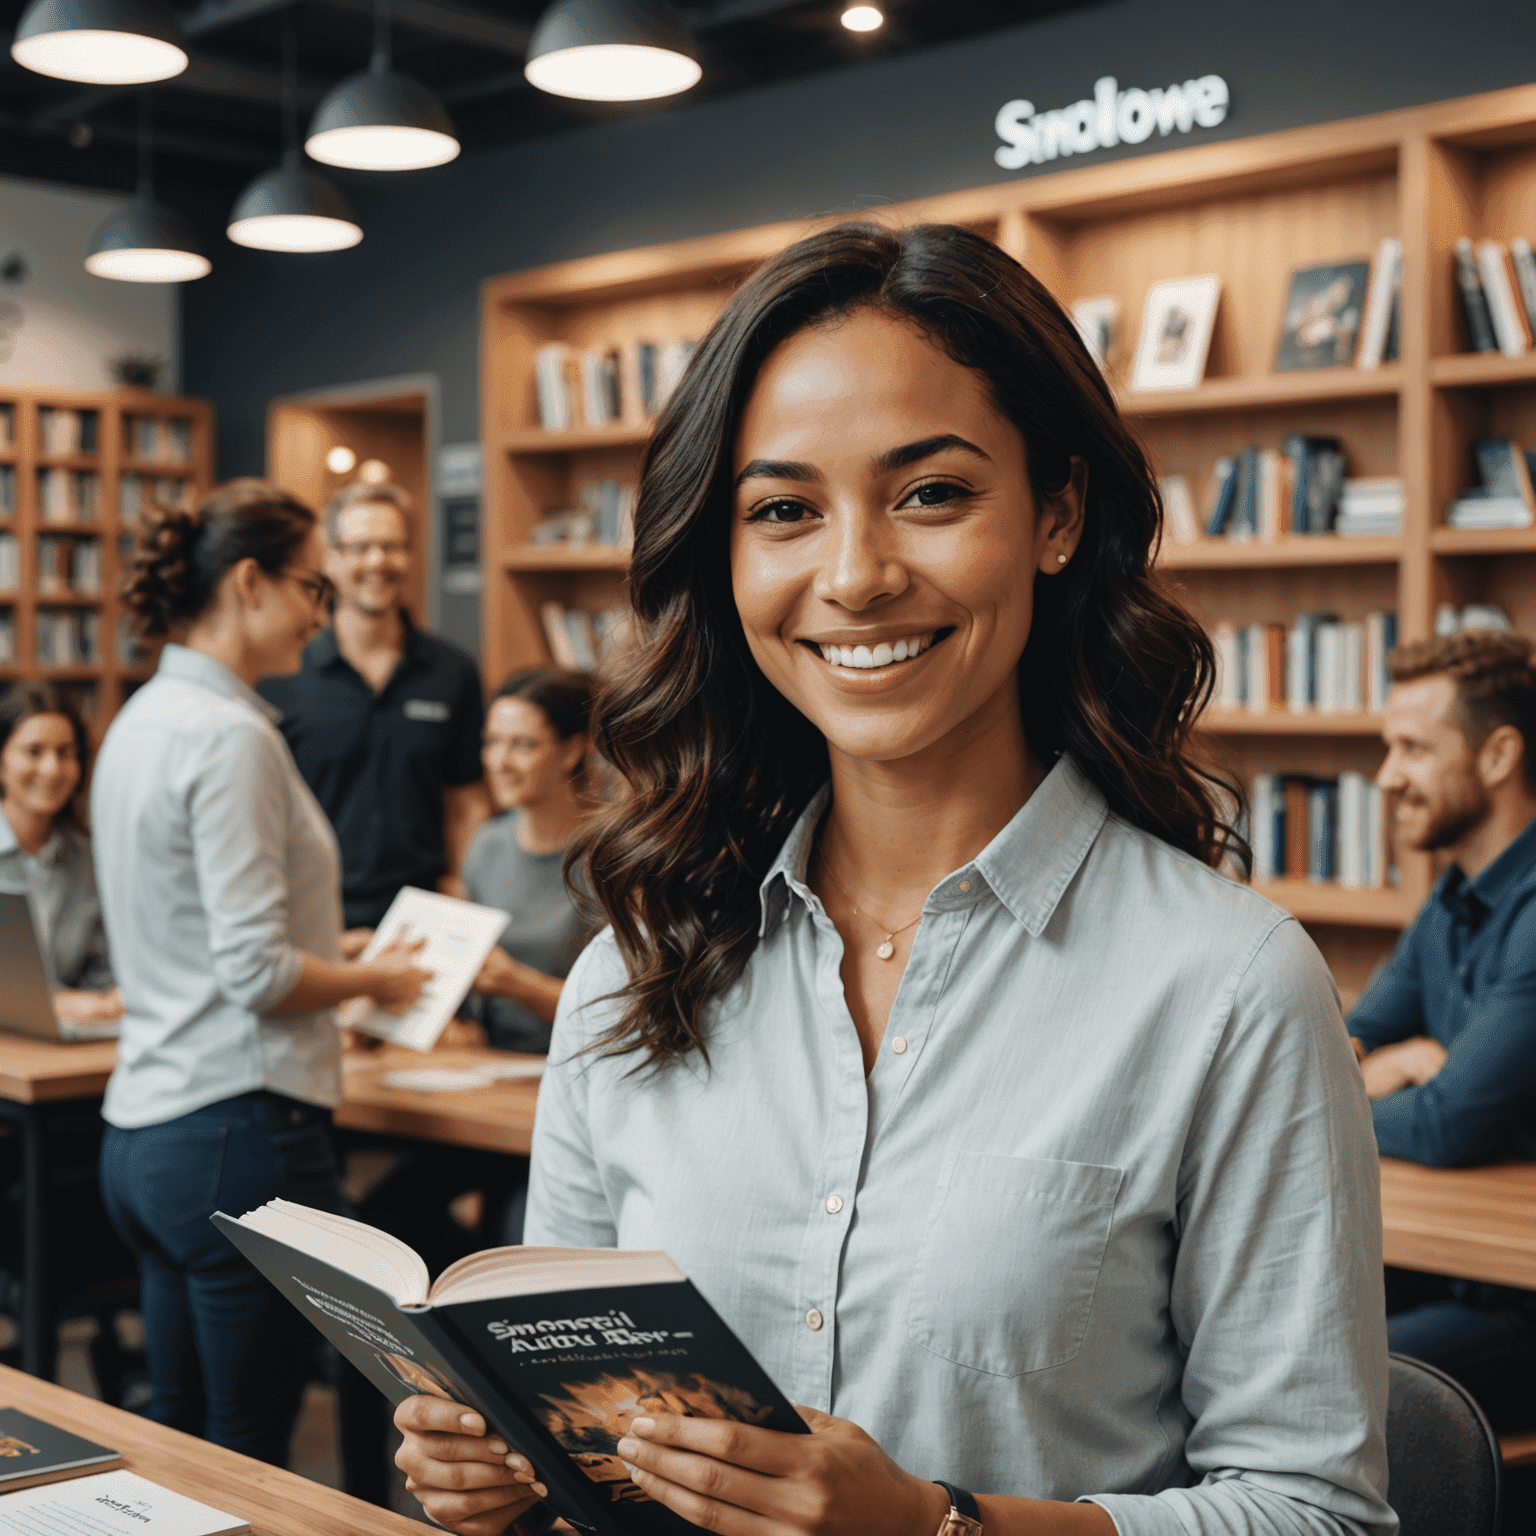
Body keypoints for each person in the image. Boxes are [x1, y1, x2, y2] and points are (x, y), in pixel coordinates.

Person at [394, 223, 1392, 1536]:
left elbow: (1319, 1516)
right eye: (784, 511)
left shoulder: (1229, 987)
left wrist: (934, 1528)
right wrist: (508, 1478)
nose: (855, 576)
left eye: (931, 494)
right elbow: (586, 1438)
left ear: (1057, 516)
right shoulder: (625, 977)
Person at [92, 479, 432, 1465]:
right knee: (249, 1446)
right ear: (249, 584)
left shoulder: (139, 721)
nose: (318, 616)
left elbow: (197, 931)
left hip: (147, 1132)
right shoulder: (232, 734)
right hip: (237, 1128)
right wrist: (375, 982)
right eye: (309, 589)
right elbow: (252, 972)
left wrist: (345, 953)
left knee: (179, 1435)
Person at [1348, 629, 1536, 1430]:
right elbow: (1340, 1043)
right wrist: (1375, 1074)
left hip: (1522, 1295)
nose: (1388, 778)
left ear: (1498, 756)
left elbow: (1447, 1123)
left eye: (1414, 750)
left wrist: (1358, 1090)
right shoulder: (1453, 897)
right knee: (1222, 1336)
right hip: (1452, 1265)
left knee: (1332, 1382)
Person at [257, 481, 490, 929]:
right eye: (359, 547)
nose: (377, 562)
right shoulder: (283, 674)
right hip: (313, 914)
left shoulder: (452, 672)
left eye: (392, 547)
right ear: (330, 559)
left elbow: (467, 803)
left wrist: (462, 890)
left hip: (423, 916)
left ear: (410, 554)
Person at [460, 666, 597, 1055]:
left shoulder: (613, 859)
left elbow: (627, 1007)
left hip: (586, 1067)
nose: (499, 761)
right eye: (492, 742)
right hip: (494, 1064)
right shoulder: (487, 845)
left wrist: (519, 985)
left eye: (523, 745)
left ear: (573, 750)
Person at [0, 681, 118, 1021]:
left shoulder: (89, 861)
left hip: (67, 1045)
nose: (52, 769)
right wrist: (57, 1003)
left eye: (65, 753)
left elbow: (101, 971)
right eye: (34, 751)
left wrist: (107, 997)